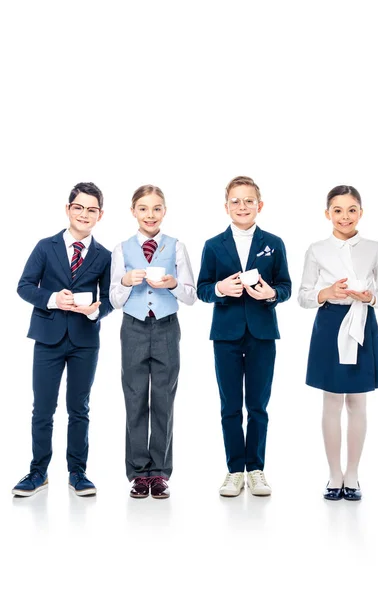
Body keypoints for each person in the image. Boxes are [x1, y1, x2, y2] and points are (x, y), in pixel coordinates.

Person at [12, 182, 113, 497]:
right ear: (69, 209)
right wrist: (54, 298)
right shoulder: (46, 246)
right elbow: (25, 286)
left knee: (79, 408)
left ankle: (77, 473)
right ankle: (37, 472)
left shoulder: (104, 255)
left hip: (84, 340)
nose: (84, 214)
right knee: (42, 407)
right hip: (48, 337)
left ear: (100, 215)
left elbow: (109, 298)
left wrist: (96, 311)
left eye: (91, 209)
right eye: (79, 207)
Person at [197, 176, 291, 497]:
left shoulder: (274, 243)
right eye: (235, 201)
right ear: (226, 207)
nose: (242, 206)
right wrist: (220, 289)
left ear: (259, 205)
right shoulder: (213, 245)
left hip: (262, 332)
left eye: (248, 200)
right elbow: (203, 288)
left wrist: (271, 293)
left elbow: (286, 287)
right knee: (230, 406)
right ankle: (235, 470)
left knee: (258, 405)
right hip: (225, 333)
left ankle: (257, 469)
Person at [298, 185, 378, 501]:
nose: (345, 216)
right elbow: (304, 295)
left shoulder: (374, 248)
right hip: (329, 324)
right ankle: (333, 474)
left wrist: (370, 297)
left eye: (351, 209)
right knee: (331, 401)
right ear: (328, 214)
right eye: (337, 210)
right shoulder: (316, 249)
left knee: (357, 402)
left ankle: (352, 474)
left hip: (362, 323)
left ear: (361, 212)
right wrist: (326, 294)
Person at [110, 184, 196, 499]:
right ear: (133, 211)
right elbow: (115, 300)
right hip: (132, 327)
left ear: (164, 211)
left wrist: (174, 284)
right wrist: (123, 281)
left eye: (156, 208)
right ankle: (138, 473)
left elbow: (190, 295)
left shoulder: (176, 247)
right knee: (134, 400)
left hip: (166, 328)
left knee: (163, 400)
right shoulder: (121, 249)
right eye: (143, 208)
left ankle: (159, 473)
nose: (150, 214)